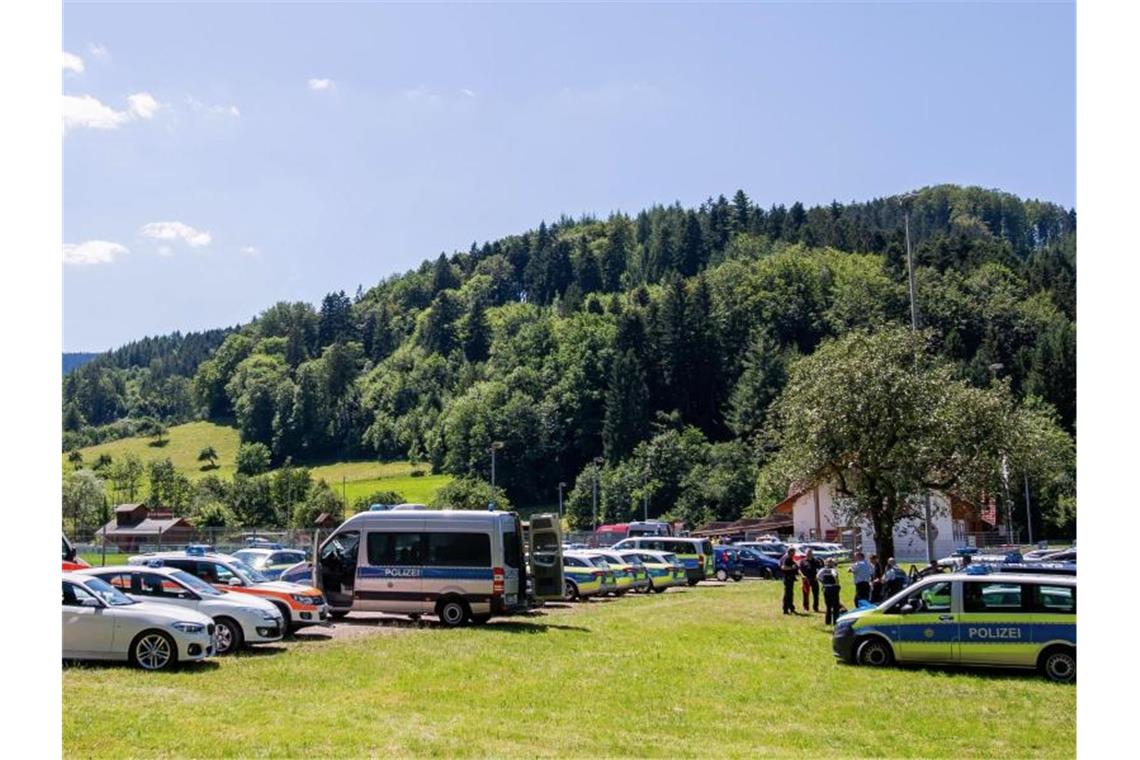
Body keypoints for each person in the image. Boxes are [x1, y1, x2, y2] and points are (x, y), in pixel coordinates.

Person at [798, 548, 824, 612]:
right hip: (806, 580)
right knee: (805, 594)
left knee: (816, 594)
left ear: (812, 554)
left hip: (814, 579)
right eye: (808, 553)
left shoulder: (816, 561)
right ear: (805, 554)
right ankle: (806, 608)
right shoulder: (802, 561)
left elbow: (820, 569)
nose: (809, 554)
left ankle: (816, 607)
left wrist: (817, 576)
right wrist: (802, 576)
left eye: (810, 553)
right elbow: (799, 570)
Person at [819, 558, 842, 625]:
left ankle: (827, 622)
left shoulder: (823, 570)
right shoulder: (833, 569)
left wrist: (823, 582)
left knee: (828, 606)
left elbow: (818, 577)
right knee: (835, 606)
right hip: (833, 588)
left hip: (826, 588)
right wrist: (837, 584)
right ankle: (835, 621)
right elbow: (835, 575)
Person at [779, 546, 799, 614]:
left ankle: (791, 607)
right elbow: (783, 567)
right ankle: (785, 609)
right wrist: (792, 568)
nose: (794, 554)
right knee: (788, 594)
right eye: (793, 552)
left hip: (789, 577)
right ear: (790, 552)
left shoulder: (784, 557)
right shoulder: (787, 558)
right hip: (788, 578)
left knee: (790, 593)